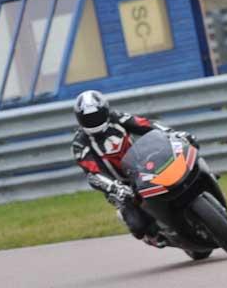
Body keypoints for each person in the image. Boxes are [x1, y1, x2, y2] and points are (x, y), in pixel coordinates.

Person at [71, 90, 195, 247]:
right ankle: (153, 236)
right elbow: (93, 173)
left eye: (96, 115)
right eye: (87, 118)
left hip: (144, 167)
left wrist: (172, 133)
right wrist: (114, 187)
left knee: (183, 164)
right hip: (120, 186)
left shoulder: (117, 118)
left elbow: (146, 124)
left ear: (105, 110)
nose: (93, 120)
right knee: (138, 226)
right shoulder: (80, 143)